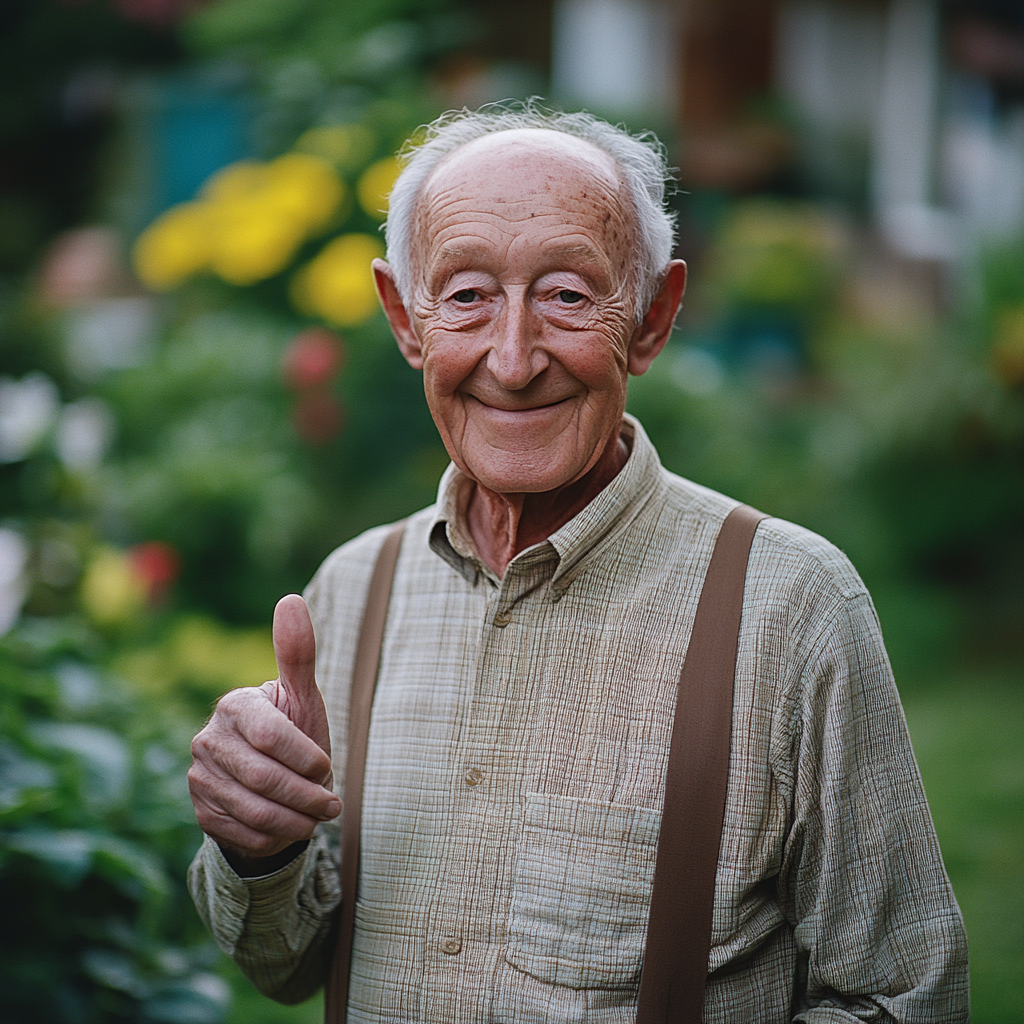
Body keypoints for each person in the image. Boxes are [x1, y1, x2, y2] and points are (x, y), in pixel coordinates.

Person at [186, 105, 969, 1023]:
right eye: (468, 295)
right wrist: (259, 850)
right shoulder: (353, 592)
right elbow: (285, 966)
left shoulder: (791, 607)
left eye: (566, 295)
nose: (513, 362)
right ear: (406, 319)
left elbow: (903, 997)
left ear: (652, 317)